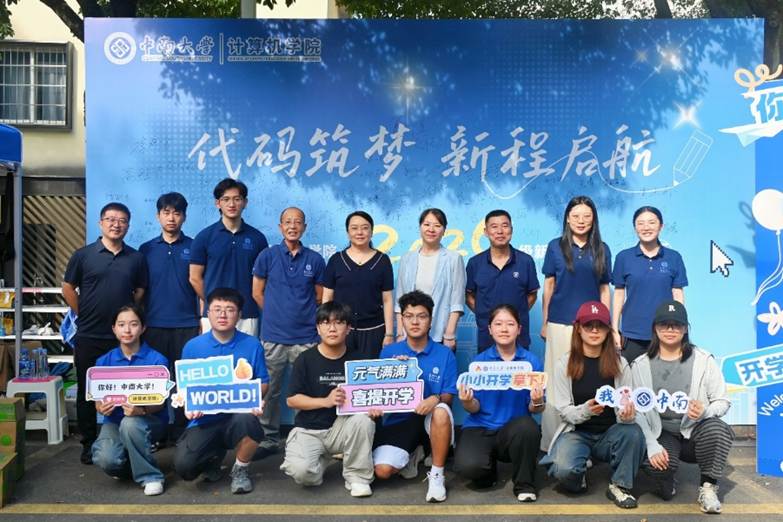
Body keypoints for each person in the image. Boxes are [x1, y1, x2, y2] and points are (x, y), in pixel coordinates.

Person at [63, 202, 148, 465]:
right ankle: (89, 443)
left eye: (122, 220)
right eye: (110, 219)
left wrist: (125, 319)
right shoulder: (83, 255)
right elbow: (68, 288)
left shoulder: (136, 258)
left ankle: (127, 438)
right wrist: (83, 312)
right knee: (88, 392)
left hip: (123, 338)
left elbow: (140, 291)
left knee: (127, 389)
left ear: (128, 225)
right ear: (100, 223)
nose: (116, 224)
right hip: (89, 335)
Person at [632, 300, 733, 515]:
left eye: (676, 324)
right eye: (664, 324)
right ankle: (666, 479)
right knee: (657, 469)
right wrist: (651, 443)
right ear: (655, 328)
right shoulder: (640, 365)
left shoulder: (703, 360)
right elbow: (637, 410)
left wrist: (705, 411)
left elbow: (722, 401)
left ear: (685, 329)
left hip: (694, 430)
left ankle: (708, 487)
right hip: (661, 432)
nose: (670, 329)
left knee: (718, 429)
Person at [542, 301, 644, 509]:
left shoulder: (620, 364)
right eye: (588, 325)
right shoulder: (564, 364)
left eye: (600, 325)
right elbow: (564, 411)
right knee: (563, 470)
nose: (595, 330)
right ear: (578, 328)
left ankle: (619, 485)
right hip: (577, 432)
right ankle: (579, 472)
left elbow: (627, 404)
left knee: (633, 432)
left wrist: (627, 415)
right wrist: (586, 410)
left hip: (611, 433)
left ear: (608, 330)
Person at [173, 288, 269, 495]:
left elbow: (263, 382)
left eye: (229, 310)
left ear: (239, 315)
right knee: (184, 468)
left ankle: (240, 469)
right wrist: (188, 404)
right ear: (208, 313)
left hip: (237, 416)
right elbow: (184, 387)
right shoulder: (192, 347)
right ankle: (213, 458)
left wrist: (255, 397)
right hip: (204, 419)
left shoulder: (252, 345)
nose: (223, 315)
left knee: (248, 420)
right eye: (217, 309)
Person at [280, 301, 378, 498]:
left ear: (348, 328)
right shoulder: (305, 359)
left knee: (364, 420)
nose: (332, 328)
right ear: (318, 328)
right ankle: (321, 460)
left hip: (342, 429)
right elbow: (292, 400)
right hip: (309, 430)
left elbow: (372, 396)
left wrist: (373, 408)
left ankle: (357, 477)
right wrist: (325, 401)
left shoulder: (359, 360)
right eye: (326, 323)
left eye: (339, 322)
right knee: (303, 474)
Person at [252, 207, 326, 455]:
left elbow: (320, 297)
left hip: (306, 338)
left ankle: (303, 437)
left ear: (304, 227)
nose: (292, 226)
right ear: (280, 226)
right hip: (273, 337)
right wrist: (277, 313)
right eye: (287, 222)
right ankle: (268, 438)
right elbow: (257, 292)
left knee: (304, 391)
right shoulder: (267, 256)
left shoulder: (315, 259)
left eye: (297, 222)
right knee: (270, 391)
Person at [540, 196, 611, 450]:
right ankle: (552, 444)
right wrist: (545, 321)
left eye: (587, 216)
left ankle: (583, 444)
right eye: (576, 216)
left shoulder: (601, 248)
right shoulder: (555, 247)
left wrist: (608, 324)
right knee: (556, 383)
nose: (581, 221)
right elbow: (549, 286)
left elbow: (604, 289)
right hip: (560, 322)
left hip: (591, 326)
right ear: (567, 219)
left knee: (585, 381)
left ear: (594, 220)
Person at [373, 290, 458, 503]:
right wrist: (398, 372)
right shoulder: (389, 353)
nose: (415, 322)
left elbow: (449, 396)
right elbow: (379, 394)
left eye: (421, 316)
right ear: (401, 320)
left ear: (430, 320)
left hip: (431, 421)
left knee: (441, 410)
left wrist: (435, 398)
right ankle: (414, 453)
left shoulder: (445, 353)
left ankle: (437, 476)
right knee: (382, 471)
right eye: (409, 316)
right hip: (401, 420)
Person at [454, 304, 544, 502]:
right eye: (498, 324)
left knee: (528, 427)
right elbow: (474, 407)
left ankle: (524, 484)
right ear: (490, 329)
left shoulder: (530, 362)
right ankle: (488, 471)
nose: (504, 329)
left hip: (513, 431)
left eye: (510, 324)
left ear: (519, 329)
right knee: (469, 468)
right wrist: (467, 401)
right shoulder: (479, 363)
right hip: (480, 427)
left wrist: (537, 401)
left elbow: (536, 409)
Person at [91, 305, 169, 496]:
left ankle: (151, 476)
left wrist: (141, 410)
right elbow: (97, 400)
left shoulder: (157, 360)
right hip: (114, 421)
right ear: (114, 329)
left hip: (150, 420)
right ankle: (134, 465)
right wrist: (102, 408)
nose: (127, 330)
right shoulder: (103, 362)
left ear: (143, 328)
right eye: (121, 325)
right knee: (107, 459)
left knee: (130, 423)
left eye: (133, 324)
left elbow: (160, 402)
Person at [139, 192, 199, 438]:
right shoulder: (146, 249)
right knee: (156, 381)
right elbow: (140, 289)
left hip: (187, 324)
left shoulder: (195, 247)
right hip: (154, 325)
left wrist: (202, 320)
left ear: (184, 217)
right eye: (166, 212)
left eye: (177, 213)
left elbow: (200, 285)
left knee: (185, 381)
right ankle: (157, 432)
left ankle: (185, 432)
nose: (171, 218)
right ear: (158, 216)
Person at [189, 178, 268, 336]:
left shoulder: (257, 238)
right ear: (218, 203)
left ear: (245, 202)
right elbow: (195, 278)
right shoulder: (204, 237)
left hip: (247, 313)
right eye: (226, 199)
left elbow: (264, 279)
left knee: (246, 353)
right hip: (214, 315)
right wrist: (214, 302)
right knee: (212, 353)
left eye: (237, 199)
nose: (231, 204)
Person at [612, 206, 687, 363]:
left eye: (652, 222)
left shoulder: (674, 257)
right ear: (635, 228)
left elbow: (678, 294)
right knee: (631, 377)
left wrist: (680, 327)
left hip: (665, 333)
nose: (646, 227)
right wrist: (614, 329)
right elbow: (619, 294)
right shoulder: (623, 257)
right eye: (641, 223)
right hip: (632, 333)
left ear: (661, 226)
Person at [322, 211, 394, 358]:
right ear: (348, 232)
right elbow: (327, 298)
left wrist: (389, 333)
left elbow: (387, 300)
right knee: (340, 370)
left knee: (370, 371)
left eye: (365, 228)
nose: (359, 232)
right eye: (354, 228)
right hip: (341, 330)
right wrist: (327, 327)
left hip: (374, 330)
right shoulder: (336, 260)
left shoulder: (382, 261)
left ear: (371, 232)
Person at [466, 210, 539, 352]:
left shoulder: (526, 261)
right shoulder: (475, 263)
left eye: (505, 226)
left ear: (512, 230)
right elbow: (469, 296)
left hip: (519, 337)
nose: (500, 231)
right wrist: (485, 314)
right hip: (487, 337)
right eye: (494, 227)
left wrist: (514, 317)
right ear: (486, 232)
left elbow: (532, 295)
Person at [395, 208, 466, 350]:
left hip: (441, 333)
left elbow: (457, 301)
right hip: (409, 334)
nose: (431, 229)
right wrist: (400, 332)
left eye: (437, 225)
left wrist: (449, 334)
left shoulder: (453, 258)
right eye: (427, 224)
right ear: (420, 227)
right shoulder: (407, 259)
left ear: (444, 230)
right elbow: (400, 299)